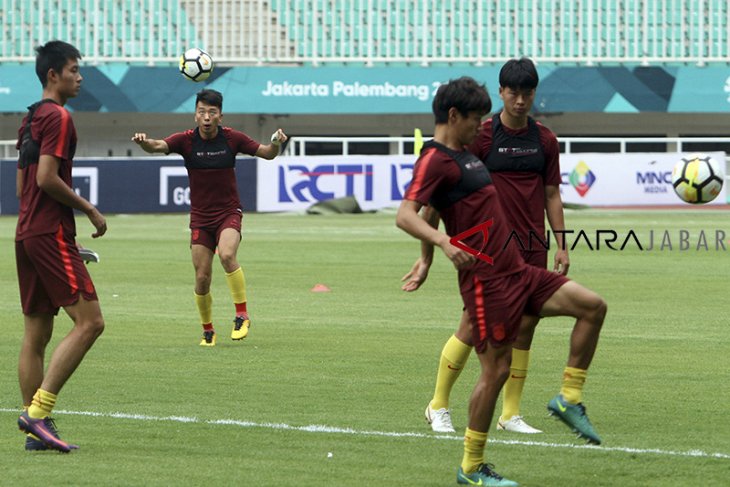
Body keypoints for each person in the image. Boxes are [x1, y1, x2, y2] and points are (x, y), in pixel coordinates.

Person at [396, 76, 606, 486]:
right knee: (495, 370)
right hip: (487, 282)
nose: (481, 125)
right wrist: (438, 247)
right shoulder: (435, 159)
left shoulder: (468, 154)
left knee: (593, 307)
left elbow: (435, 211)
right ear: (454, 115)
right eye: (474, 118)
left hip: (521, 272)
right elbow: (407, 214)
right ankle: (471, 468)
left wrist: (426, 257)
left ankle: (568, 398)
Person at [404, 57, 568, 434]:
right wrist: (427, 253)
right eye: (514, 93)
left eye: (528, 93)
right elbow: (437, 199)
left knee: (526, 325)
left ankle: (511, 413)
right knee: (471, 325)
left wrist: (561, 244)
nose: (521, 101)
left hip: (529, 245)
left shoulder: (544, 139)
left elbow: (552, 193)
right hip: (486, 246)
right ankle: (438, 404)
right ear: (501, 92)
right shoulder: (479, 136)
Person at [132, 89, 287, 346]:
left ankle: (241, 314)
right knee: (202, 278)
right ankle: (208, 329)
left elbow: (268, 153)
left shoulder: (232, 139)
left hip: (228, 213)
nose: (206, 117)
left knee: (227, 255)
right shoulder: (186, 141)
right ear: (195, 115)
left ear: (220, 116)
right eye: (202, 112)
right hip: (201, 219)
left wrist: (277, 142)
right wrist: (143, 142)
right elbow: (157, 146)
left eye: (212, 112)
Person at [15, 40, 107, 453]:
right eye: (73, 69)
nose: (79, 76)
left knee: (36, 332)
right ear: (54, 75)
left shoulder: (31, 117)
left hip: (28, 231)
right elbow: (45, 179)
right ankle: (37, 412)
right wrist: (89, 209)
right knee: (90, 323)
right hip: (49, 231)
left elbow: (22, 186)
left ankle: (38, 431)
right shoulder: (60, 117)